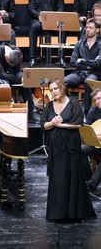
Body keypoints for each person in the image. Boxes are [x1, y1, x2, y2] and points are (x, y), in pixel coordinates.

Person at [41, 78, 96, 221]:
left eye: (55, 89)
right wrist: (52, 123)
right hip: (56, 146)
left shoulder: (73, 103)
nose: (53, 92)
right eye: (51, 90)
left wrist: (60, 125)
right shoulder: (49, 106)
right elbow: (43, 125)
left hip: (71, 145)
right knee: (58, 177)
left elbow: (78, 124)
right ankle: (57, 213)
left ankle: (74, 213)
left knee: (72, 176)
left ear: (62, 89)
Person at [28, 0, 65, 67]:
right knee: (33, 28)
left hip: (54, 20)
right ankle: (32, 58)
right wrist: (38, 15)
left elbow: (61, 7)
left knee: (62, 27)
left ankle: (60, 57)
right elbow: (31, 8)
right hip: (39, 20)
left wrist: (55, 17)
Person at [64, 18, 101, 114]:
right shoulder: (79, 43)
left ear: (97, 30)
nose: (88, 29)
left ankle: (86, 112)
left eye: (91, 28)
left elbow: (98, 63)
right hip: (79, 72)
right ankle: (66, 110)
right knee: (64, 81)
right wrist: (89, 63)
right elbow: (72, 61)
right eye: (87, 27)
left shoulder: (100, 44)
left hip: (94, 73)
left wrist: (82, 60)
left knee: (89, 82)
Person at [82, 88, 101, 192]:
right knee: (80, 149)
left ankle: (92, 185)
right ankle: (88, 177)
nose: (98, 101)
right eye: (95, 100)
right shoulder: (93, 111)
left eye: (99, 98)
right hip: (97, 143)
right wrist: (95, 136)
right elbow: (87, 131)